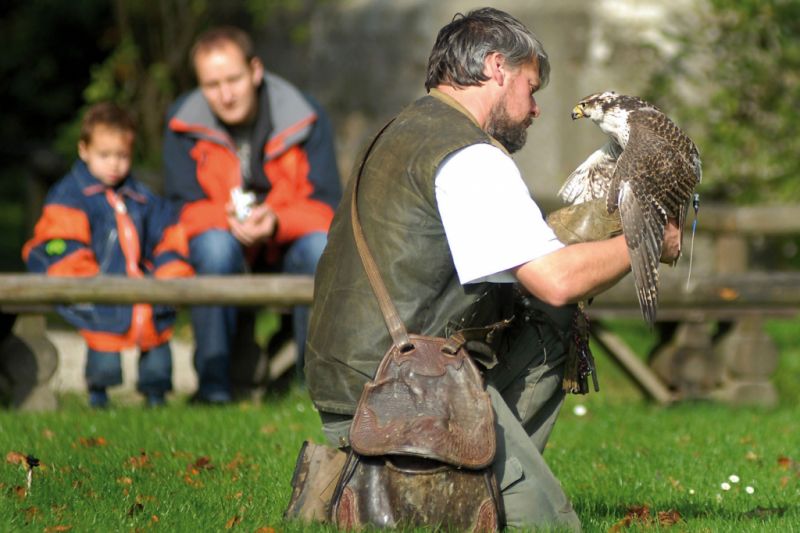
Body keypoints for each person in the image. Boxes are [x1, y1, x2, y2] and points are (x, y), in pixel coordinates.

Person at [305, 7, 681, 530]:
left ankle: (480, 475)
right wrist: (647, 242)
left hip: (361, 385)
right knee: (552, 527)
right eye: (532, 87)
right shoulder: (469, 156)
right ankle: (454, 485)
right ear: (497, 68)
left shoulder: (400, 130)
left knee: (551, 322)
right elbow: (557, 279)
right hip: (399, 401)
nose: (536, 108)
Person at [163, 26, 342, 404]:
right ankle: (213, 388)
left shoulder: (305, 116)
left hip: (287, 247)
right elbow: (180, 212)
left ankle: (313, 387)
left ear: (255, 70)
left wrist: (275, 222)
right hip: (224, 246)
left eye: (233, 79)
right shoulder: (181, 123)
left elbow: (327, 210)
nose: (225, 95)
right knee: (212, 246)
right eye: (211, 85)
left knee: (319, 247)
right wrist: (224, 219)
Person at [23, 102, 194, 408]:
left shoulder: (142, 197)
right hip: (100, 294)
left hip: (145, 295)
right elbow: (62, 241)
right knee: (103, 351)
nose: (114, 164)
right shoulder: (70, 196)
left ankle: (156, 397)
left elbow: (168, 235)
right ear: (84, 150)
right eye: (105, 155)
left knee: (157, 349)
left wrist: (168, 275)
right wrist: (91, 285)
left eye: (122, 156)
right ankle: (98, 398)